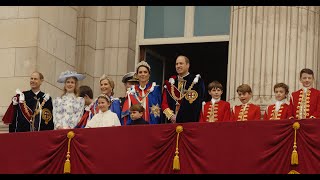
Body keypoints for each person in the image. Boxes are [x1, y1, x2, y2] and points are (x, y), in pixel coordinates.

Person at [161, 55, 205, 123]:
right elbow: (164, 103)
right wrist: (171, 115)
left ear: (188, 65)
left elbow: (199, 104)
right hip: (172, 123)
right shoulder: (171, 82)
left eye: (181, 63)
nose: (178, 66)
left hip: (190, 122)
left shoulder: (196, 82)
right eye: (176, 64)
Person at [121, 61, 162, 125]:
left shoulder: (155, 90)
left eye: (145, 72)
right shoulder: (132, 92)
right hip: (135, 128)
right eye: (140, 72)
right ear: (137, 75)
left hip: (152, 127)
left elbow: (159, 112)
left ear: (149, 74)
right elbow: (127, 114)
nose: (143, 74)